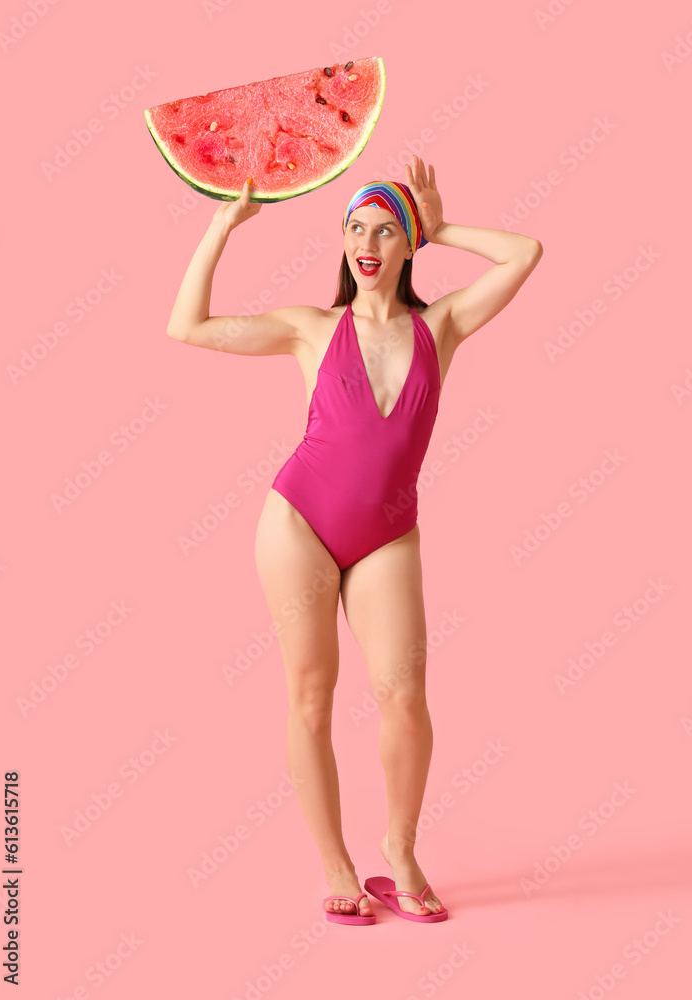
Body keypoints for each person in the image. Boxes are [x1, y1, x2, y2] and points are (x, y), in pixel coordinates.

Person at [166, 155, 542, 924]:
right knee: (311, 695)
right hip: (298, 523)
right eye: (354, 227)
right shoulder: (312, 329)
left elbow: (525, 253)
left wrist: (442, 226)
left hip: (387, 535)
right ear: (342, 242)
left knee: (403, 697)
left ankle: (399, 849)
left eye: (384, 228)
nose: (366, 240)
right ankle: (337, 864)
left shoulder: (443, 325)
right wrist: (221, 225)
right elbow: (187, 326)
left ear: (407, 246)